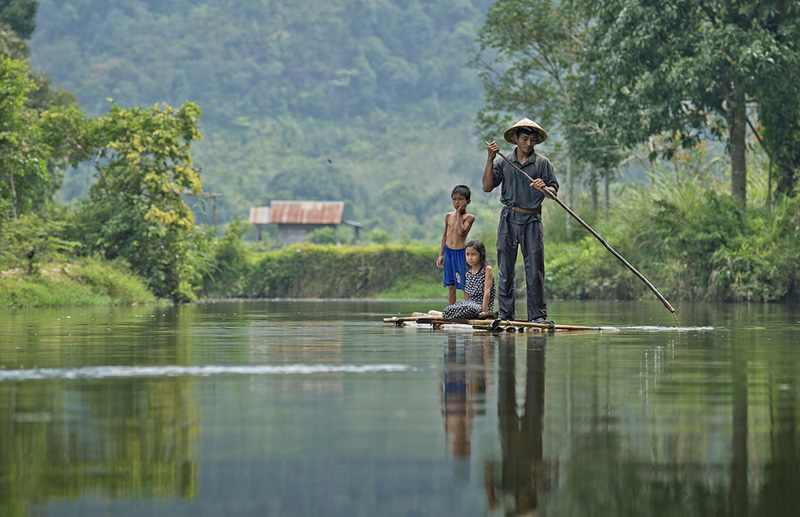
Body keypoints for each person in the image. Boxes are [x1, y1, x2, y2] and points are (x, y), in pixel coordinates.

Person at [483, 118, 559, 323]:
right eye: (524, 139)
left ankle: (537, 316)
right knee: (506, 269)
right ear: (516, 139)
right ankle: (505, 315)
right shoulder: (503, 162)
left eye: (532, 140)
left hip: (532, 220)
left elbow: (553, 192)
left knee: (535, 270)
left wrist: (545, 188)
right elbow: (487, 187)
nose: (528, 144)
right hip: (508, 218)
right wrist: (490, 159)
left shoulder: (542, 163)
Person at [437, 185, 475, 305]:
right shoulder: (448, 216)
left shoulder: (469, 217)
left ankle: (468, 308)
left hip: (460, 253)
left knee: (464, 284)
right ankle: (451, 310)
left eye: (460, 199)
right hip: (449, 252)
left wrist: (458, 214)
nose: (457, 202)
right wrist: (441, 255)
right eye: (454, 199)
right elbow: (445, 235)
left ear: (468, 201)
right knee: (451, 284)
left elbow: (461, 231)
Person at [442, 239, 496, 320]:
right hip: (470, 304)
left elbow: (487, 292)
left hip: (481, 305)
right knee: (447, 310)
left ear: (481, 255)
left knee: (470, 309)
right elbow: (468, 296)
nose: (470, 258)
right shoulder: (468, 273)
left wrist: (484, 312)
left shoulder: (487, 269)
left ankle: (475, 316)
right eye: (467, 254)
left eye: (473, 254)